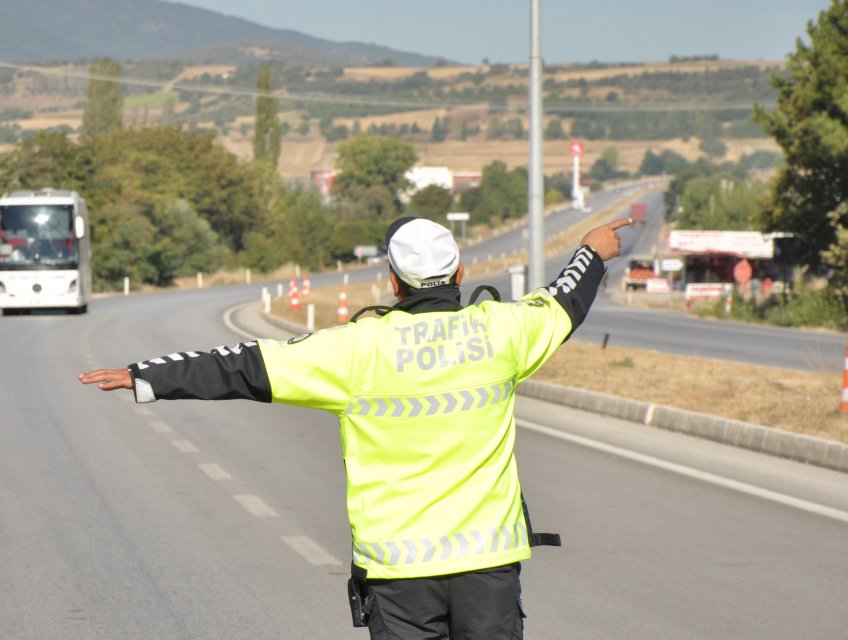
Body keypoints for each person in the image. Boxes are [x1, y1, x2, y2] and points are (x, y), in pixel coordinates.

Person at [78, 216, 631, 639]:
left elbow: (243, 365)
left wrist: (143, 375)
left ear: (394, 282)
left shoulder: (355, 348)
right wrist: (593, 250)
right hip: (488, 570)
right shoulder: (502, 332)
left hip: (398, 575)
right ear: (461, 275)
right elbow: (565, 300)